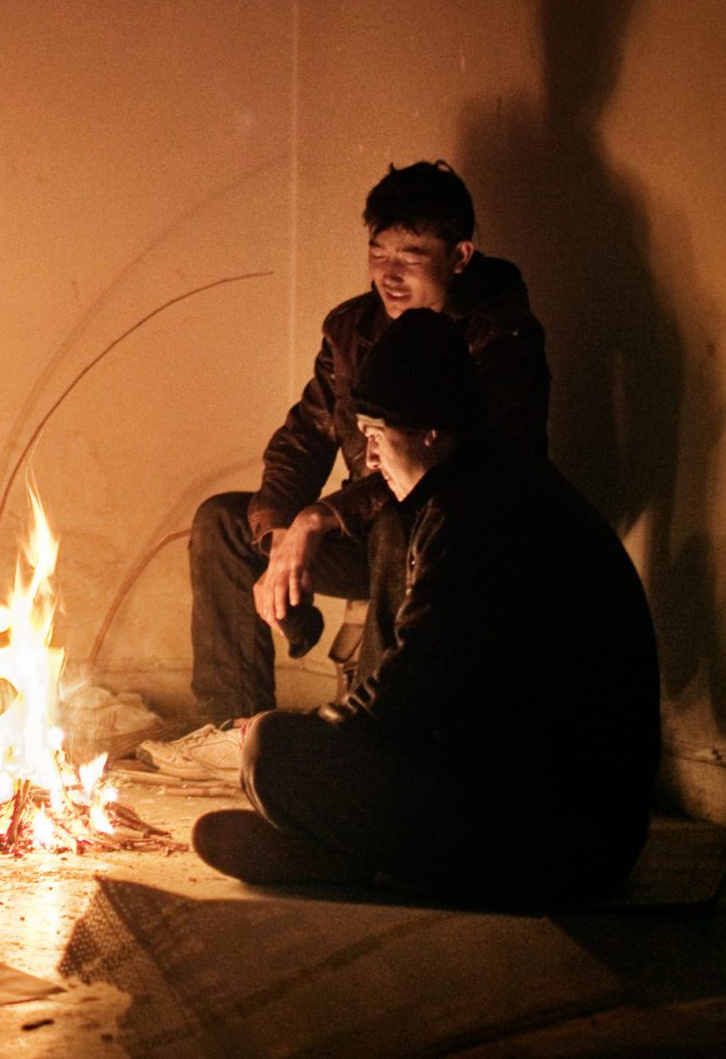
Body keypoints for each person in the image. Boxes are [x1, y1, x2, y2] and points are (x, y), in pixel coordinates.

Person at [193, 307, 660, 906]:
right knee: (385, 532)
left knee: (273, 750)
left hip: (563, 838)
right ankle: (351, 851)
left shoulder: (482, 517)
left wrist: (307, 735)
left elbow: (411, 693)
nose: (368, 458)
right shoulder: (462, 494)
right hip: (514, 788)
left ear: (432, 433)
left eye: (378, 437)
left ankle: (352, 854)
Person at [144, 161, 551, 778]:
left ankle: (369, 746)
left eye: (411, 255)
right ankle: (237, 731)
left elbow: (454, 473)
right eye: (377, 252)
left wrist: (320, 518)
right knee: (223, 522)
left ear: (460, 256)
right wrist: (280, 534)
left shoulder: (501, 334)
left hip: (451, 544)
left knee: (393, 528)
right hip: (364, 523)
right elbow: (305, 436)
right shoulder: (352, 329)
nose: (389, 273)